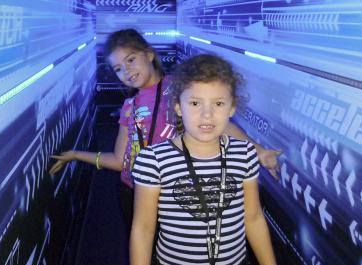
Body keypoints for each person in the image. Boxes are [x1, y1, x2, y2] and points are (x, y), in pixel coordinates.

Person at [49, 29, 280, 225]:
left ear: (149, 55)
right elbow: (122, 161)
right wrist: (76, 155)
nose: (126, 71)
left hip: (173, 195)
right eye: (118, 68)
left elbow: (218, 124)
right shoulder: (129, 106)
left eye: (130, 60)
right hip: (132, 192)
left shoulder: (178, 88)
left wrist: (259, 151)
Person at [130, 54, 278, 265]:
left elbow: (253, 217)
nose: (207, 114)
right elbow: (143, 229)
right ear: (179, 107)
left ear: (232, 108)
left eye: (218, 103)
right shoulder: (153, 160)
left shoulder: (245, 153)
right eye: (195, 103)